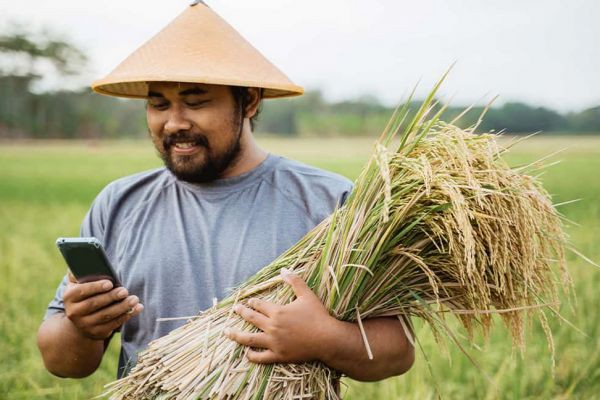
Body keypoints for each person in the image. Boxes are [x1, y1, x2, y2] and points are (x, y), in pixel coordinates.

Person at [37, 1, 414, 385]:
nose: (174, 123)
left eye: (196, 102)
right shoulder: (120, 203)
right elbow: (63, 361)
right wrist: (81, 327)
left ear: (249, 101)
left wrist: (324, 338)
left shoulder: (328, 202)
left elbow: (396, 350)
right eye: (158, 104)